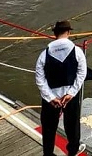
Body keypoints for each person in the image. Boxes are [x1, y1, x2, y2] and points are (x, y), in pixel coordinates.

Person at [35, 20, 87, 156]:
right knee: (72, 127)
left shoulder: (44, 54)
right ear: (69, 32)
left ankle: (48, 153)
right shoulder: (77, 51)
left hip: (51, 98)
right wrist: (71, 93)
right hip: (70, 97)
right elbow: (82, 73)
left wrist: (50, 97)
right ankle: (72, 152)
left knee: (48, 128)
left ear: (55, 34)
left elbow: (40, 79)